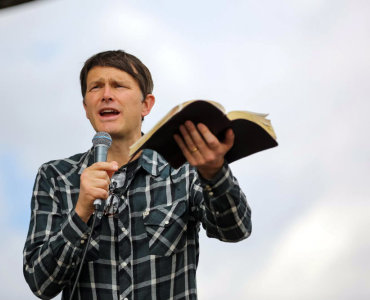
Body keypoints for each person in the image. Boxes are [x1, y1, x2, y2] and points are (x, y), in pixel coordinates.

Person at [23, 50, 252, 300]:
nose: (106, 95)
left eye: (119, 86)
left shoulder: (183, 170)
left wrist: (215, 173)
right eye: (95, 87)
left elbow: (235, 229)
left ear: (146, 105)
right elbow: (40, 283)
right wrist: (81, 213)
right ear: (86, 107)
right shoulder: (56, 177)